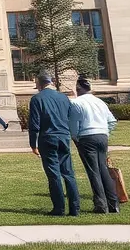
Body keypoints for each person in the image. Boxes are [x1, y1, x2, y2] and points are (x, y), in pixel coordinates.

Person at [27, 71, 80, 216]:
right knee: (68, 173)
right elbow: (70, 117)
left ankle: (59, 208)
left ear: (40, 83)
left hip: (48, 138)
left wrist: (33, 144)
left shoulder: (37, 99)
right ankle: (75, 208)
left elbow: (34, 124)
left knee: (54, 174)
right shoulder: (63, 97)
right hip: (64, 137)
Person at [69, 77, 120, 214]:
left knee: (93, 171)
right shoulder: (100, 102)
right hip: (102, 136)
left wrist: (75, 137)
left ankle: (101, 205)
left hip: (86, 137)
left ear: (78, 88)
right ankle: (113, 204)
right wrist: (105, 133)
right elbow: (112, 121)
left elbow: (74, 125)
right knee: (103, 169)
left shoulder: (75, 103)